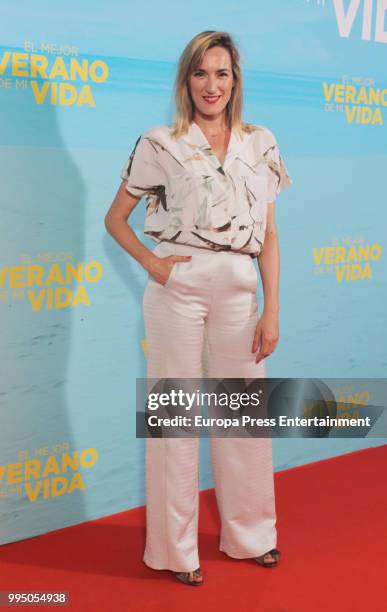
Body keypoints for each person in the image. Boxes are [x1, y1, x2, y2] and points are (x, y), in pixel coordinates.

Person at [104, 30, 292, 586]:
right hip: (176, 291)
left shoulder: (261, 143)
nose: (212, 85)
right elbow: (115, 219)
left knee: (244, 417)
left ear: (235, 81)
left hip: (241, 290)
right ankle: (173, 551)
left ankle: (252, 537)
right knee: (175, 420)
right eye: (200, 73)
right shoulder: (159, 141)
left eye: (223, 74)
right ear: (186, 80)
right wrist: (153, 263)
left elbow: (272, 236)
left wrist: (272, 309)